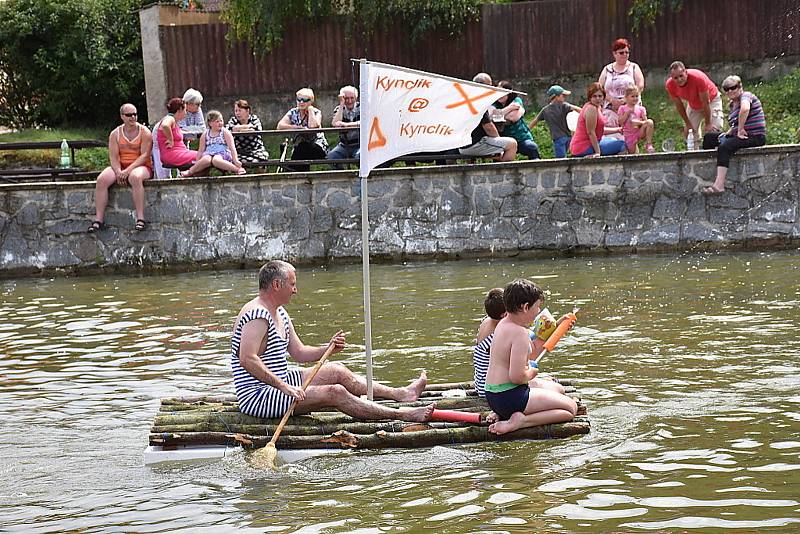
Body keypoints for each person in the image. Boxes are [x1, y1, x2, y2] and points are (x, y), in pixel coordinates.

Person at [231, 260, 436, 422]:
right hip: (258, 397)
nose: (295, 290)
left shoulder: (280, 312)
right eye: (292, 284)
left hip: (280, 381)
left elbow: (299, 353)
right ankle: (402, 415)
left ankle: (401, 394)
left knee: (336, 369)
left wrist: (327, 349)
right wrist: (284, 386)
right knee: (334, 392)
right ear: (276, 284)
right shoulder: (256, 315)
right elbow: (247, 359)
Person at [485, 279, 578, 435]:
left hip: (494, 396)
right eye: (537, 306)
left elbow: (528, 347)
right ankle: (521, 421)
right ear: (525, 307)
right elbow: (516, 377)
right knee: (570, 408)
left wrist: (558, 327)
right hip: (510, 397)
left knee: (559, 389)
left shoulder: (504, 323)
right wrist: (532, 372)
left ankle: (502, 413)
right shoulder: (519, 334)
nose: (539, 311)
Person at [474, 288, 567, 399]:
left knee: (531, 335)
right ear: (505, 314)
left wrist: (555, 326)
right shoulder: (501, 333)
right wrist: (557, 331)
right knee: (557, 388)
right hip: (497, 390)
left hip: (483, 385)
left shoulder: (488, 321)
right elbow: (531, 355)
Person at [88, 103, 153, 233]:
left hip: (141, 166)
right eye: (129, 115)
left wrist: (127, 172)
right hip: (121, 165)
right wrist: (118, 172)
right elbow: (113, 156)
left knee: (135, 177)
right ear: (122, 116)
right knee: (102, 179)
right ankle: (98, 219)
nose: (133, 117)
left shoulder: (144, 132)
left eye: (135, 114)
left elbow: (144, 156)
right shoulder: (115, 134)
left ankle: (140, 218)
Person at [701, 75, 767, 195]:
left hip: (754, 136)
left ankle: (719, 185)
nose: (730, 91)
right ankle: (708, 173)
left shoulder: (746, 96)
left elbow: (745, 109)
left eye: (733, 87)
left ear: (740, 87)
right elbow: (736, 123)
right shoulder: (732, 104)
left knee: (725, 146)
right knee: (709, 138)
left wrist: (740, 129)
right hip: (740, 135)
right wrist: (730, 132)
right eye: (727, 89)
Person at [666, 61, 724, 149]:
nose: (679, 80)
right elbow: (679, 105)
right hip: (693, 104)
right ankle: (694, 153)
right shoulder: (670, 85)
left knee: (714, 129)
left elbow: (705, 102)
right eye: (675, 78)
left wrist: (708, 123)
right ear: (671, 78)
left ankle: (716, 151)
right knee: (689, 132)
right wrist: (687, 123)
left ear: (686, 72)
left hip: (711, 100)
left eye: (681, 76)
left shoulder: (698, 78)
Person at [180, 110, 245, 177]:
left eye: (221, 121)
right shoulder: (205, 134)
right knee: (206, 160)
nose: (220, 123)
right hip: (209, 153)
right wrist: (198, 161)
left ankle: (237, 169)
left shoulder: (224, 132)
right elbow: (201, 150)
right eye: (217, 121)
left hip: (222, 153)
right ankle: (190, 172)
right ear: (210, 123)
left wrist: (235, 160)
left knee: (216, 160)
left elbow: (232, 147)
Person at [277, 88, 328, 172]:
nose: (301, 102)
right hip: (299, 149)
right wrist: (296, 127)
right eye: (299, 99)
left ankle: (290, 171)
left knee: (302, 147)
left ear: (311, 102)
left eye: (305, 100)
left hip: (317, 147)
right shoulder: (293, 112)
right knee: (301, 149)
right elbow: (280, 126)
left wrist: (310, 110)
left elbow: (313, 126)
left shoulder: (316, 112)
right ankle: (298, 175)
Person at [570, 83, 626, 157]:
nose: (597, 99)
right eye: (594, 96)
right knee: (623, 145)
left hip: (590, 143)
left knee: (613, 139)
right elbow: (591, 132)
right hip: (583, 147)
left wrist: (618, 130)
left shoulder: (597, 107)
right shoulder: (591, 109)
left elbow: (600, 130)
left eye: (600, 96)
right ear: (590, 97)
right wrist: (597, 152)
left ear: (604, 97)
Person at [598, 38, 645, 124]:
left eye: (627, 52)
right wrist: (612, 100)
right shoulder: (607, 69)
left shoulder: (634, 67)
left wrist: (625, 100)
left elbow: (640, 86)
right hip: (610, 107)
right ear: (614, 54)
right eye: (621, 53)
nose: (625, 55)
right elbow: (599, 88)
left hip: (630, 106)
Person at [529, 85, 582, 158]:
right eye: (562, 95)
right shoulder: (564, 106)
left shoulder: (545, 110)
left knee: (561, 159)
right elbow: (578, 109)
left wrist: (527, 130)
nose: (564, 97)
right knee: (563, 158)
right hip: (568, 137)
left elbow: (535, 120)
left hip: (557, 138)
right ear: (556, 97)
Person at [493, 81, 540, 159]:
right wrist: (510, 108)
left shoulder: (516, 100)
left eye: (503, 92)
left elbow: (513, 117)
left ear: (509, 93)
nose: (500, 95)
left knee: (532, 147)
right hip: (504, 140)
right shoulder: (494, 104)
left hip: (521, 137)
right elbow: (493, 116)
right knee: (497, 155)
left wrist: (500, 114)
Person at [156, 98, 198, 169]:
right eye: (185, 110)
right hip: (172, 155)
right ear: (180, 109)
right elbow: (165, 125)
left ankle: (189, 175)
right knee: (203, 157)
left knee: (204, 159)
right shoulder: (170, 118)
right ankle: (189, 174)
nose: (186, 113)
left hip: (180, 152)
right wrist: (170, 139)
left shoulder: (175, 121)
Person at [327, 85, 360, 168]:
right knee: (332, 157)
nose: (349, 101)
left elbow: (365, 123)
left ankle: (362, 179)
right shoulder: (339, 109)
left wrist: (347, 125)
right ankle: (343, 178)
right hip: (344, 145)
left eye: (352, 98)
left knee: (360, 157)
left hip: (360, 145)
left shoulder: (362, 108)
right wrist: (341, 104)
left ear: (356, 97)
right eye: (346, 98)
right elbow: (335, 124)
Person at [226, 99, 269, 164]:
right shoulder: (233, 120)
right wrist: (248, 127)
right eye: (236, 111)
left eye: (240, 111)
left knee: (262, 160)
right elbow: (227, 130)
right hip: (239, 151)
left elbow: (258, 129)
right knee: (233, 160)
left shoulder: (254, 118)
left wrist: (238, 129)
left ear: (247, 111)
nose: (237, 113)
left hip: (256, 149)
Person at [618, 85, 655, 154]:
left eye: (636, 96)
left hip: (639, 131)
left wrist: (639, 123)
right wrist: (627, 114)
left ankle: (649, 144)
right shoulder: (622, 108)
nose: (635, 98)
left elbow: (646, 122)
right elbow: (620, 122)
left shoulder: (641, 109)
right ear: (626, 97)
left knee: (650, 122)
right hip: (629, 135)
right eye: (632, 96)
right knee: (633, 154)